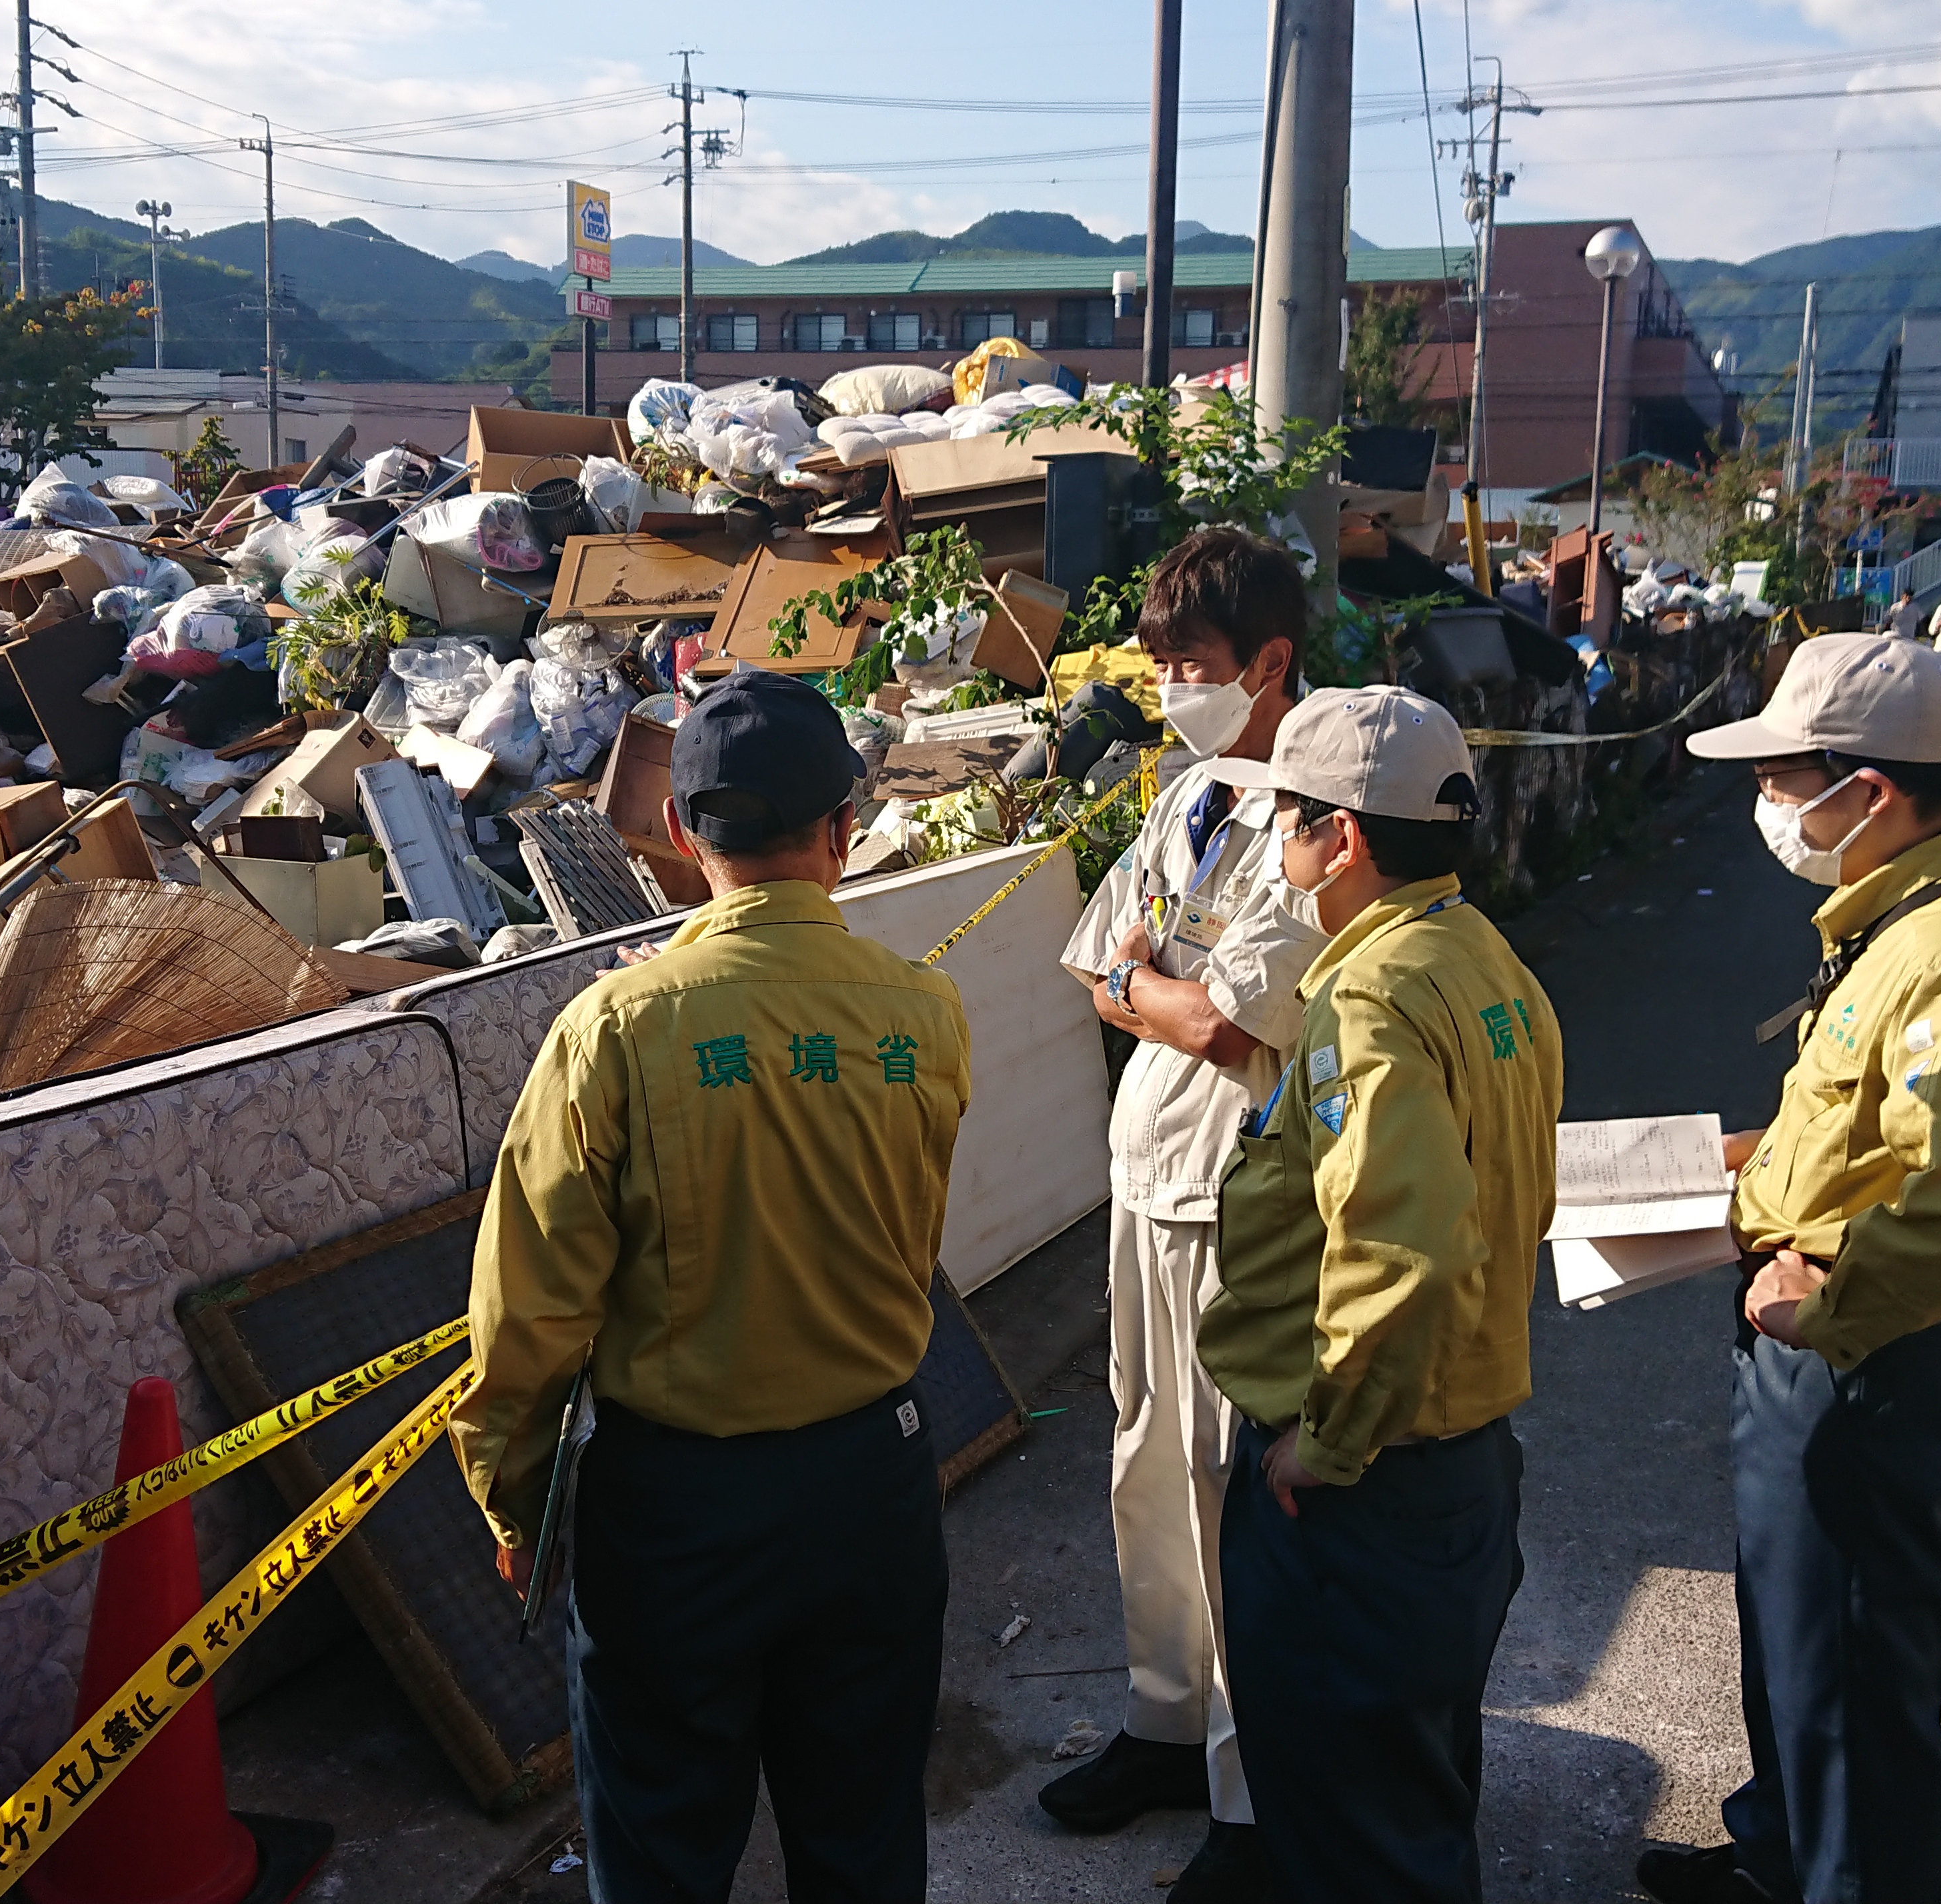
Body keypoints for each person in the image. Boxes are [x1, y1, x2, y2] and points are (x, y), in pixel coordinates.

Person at [452, 668, 974, 1903]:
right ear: (843, 830)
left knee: (660, 1849)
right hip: (872, 1486)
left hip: (674, 1511)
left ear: (680, 837)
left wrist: (514, 1500)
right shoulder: (926, 1013)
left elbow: (527, 1313)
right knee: (861, 1836)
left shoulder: (617, 1027)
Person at [1640, 633, 1941, 1904]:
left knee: (1857, 1682)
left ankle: (1843, 1878)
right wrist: (1738, 1160)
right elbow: (1861, 1130)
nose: (1768, 802)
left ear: (1864, 791)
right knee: (1794, 1645)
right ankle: (1779, 1858)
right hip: (1820, 1347)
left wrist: (1824, 1305)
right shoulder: (1890, 928)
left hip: (1867, 1358)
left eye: (1782, 776)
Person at [1197, 685, 1560, 1904]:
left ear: (1341, 839)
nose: (1279, 849)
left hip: (1360, 1490)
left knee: (1343, 1829)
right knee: (1410, 1797)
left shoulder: (1367, 1001)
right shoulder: (1482, 958)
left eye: (1287, 823)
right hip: (1457, 1466)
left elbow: (1393, 1251)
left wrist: (1323, 1446)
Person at [1044, 530, 1326, 1897]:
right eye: (1158, 662)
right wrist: (1157, 985)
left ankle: (1249, 1783)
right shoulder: (1192, 793)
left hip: (1234, 1195)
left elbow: (1221, 1023)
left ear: (1269, 662)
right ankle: (1165, 1719)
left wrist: (1155, 983)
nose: (1169, 685)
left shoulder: (1317, 817)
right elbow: (1100, 957)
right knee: (1145, 1459)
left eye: (1193, 664)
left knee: (1227, 1486)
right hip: (1144, 1171)